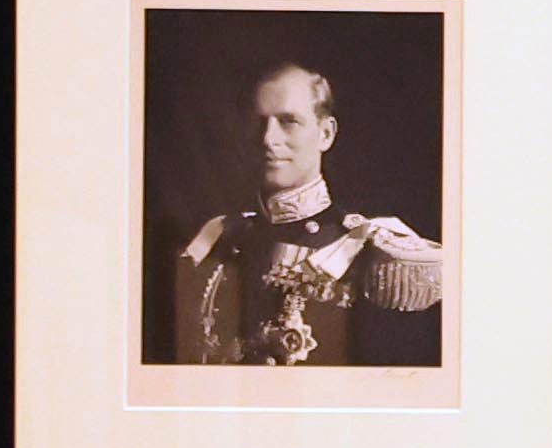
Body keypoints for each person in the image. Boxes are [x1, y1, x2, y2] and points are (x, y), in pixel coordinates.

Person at [168, 60, 445, 365]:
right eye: (259, 122)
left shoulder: (369, 250)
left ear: (326, 134)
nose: (267, 138)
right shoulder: (216, 238)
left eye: (288, 121)